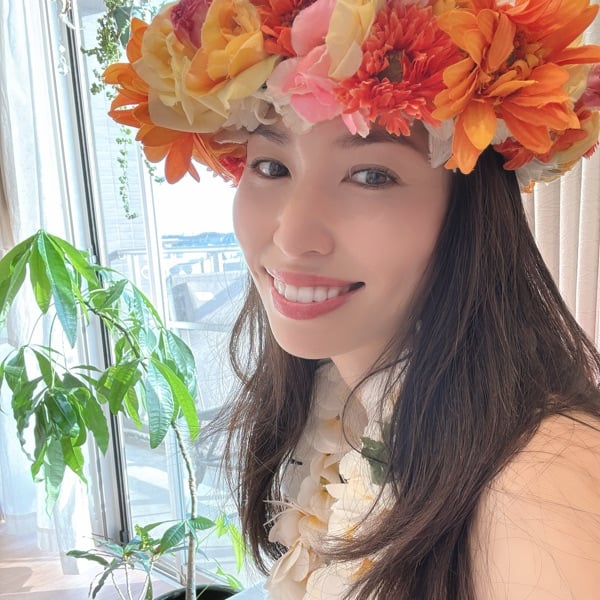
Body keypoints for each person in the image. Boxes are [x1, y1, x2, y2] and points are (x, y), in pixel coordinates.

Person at [104, 0, 600, 597]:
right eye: (271, 166)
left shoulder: (543, 488)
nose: (292, 236)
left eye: (370, 176)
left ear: (472, 209)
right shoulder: (338, 398)